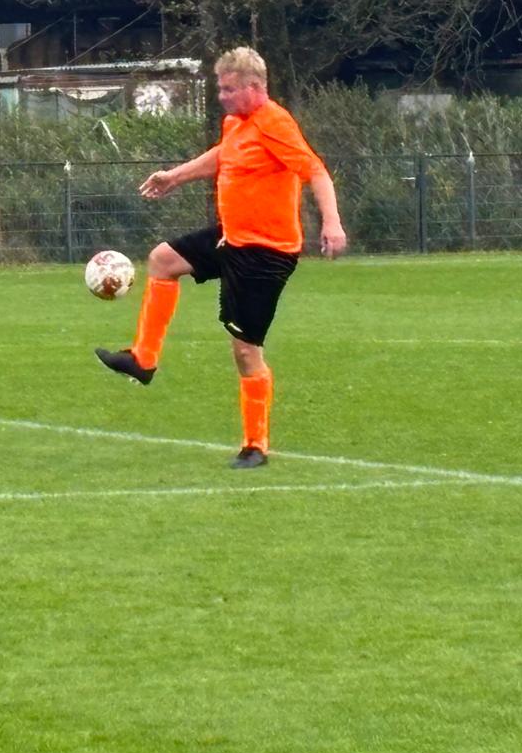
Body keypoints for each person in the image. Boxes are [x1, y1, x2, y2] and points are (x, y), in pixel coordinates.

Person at [96, 48, 347, 468]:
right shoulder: (236, 123)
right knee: (163, 260)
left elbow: (316, 171)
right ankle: (143, 360)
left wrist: (332, 223)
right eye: (221, 88)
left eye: (230, 89)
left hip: (265, 254)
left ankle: (255, 446)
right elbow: (223, 154)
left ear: (255, 87)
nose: (222, 96)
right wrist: (175, 176)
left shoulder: (274, 123)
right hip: (232, 238)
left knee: (245, 352)